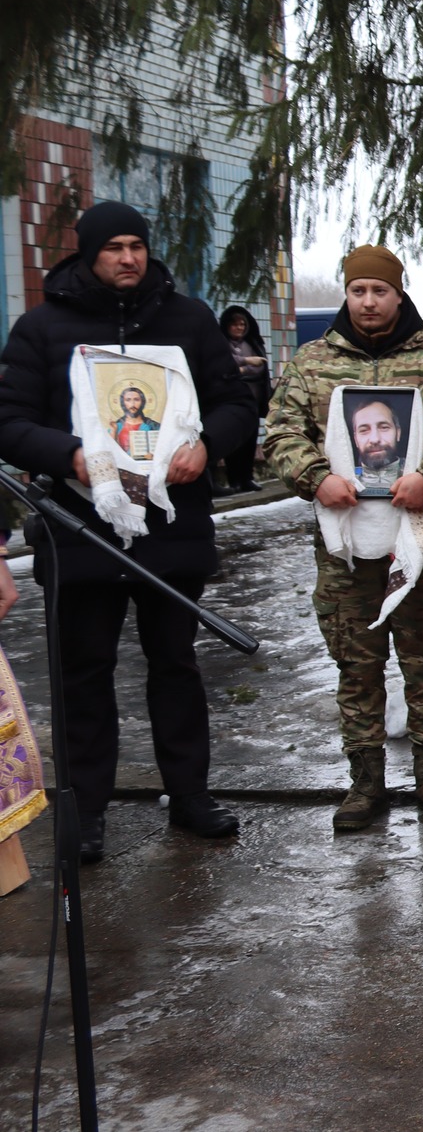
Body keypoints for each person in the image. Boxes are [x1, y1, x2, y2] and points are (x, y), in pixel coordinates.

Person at [0, 201, 258, 861]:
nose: (127, 257)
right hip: (81, 528)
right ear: (89, 253)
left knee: (176, 665)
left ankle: (190, 796)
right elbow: (10, 420)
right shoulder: (42, 328)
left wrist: (209, 445)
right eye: (113, 246)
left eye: (137, 245)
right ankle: (84, 813)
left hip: (171, 528)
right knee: (84, 674)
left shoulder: (189, 321)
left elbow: (235, 402)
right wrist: (71, 456)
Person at [264, 245, 423, 829]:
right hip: (345, 548)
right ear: (347, 294)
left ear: (399, 292)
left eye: (379, 291)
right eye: (357, 290)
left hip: (419, 544)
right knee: (356, 667)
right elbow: (280, 431)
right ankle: (364, 785)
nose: (367, 302)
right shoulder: (312, 363)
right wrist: (316, 478)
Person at [217, 305, 271, 490]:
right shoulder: (220, 343)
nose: (239, 328)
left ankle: (246, 478)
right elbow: (222, 365)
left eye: (242, 324)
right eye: (234, 324)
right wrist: (246, 363)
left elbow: (260, 367)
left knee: (250, 441)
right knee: (233, 443)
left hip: (252, 403)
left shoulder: (251, 344)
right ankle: (234, 480)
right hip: (229, 403)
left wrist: (240, 369)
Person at [348, 397, 405, 490]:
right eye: (364, 430)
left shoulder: (417, 473)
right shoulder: (344, 479)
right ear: (355, 439)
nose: (375, 439)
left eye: (384, 427)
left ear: (398, 433)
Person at [109, 386, 161, 457]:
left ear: (142, 402)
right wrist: (113, 431)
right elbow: (109, 451)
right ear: (123, 403)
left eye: (136, 400)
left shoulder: (154, 426)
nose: (132, 404)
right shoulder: (115, 427)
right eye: (128, 400)